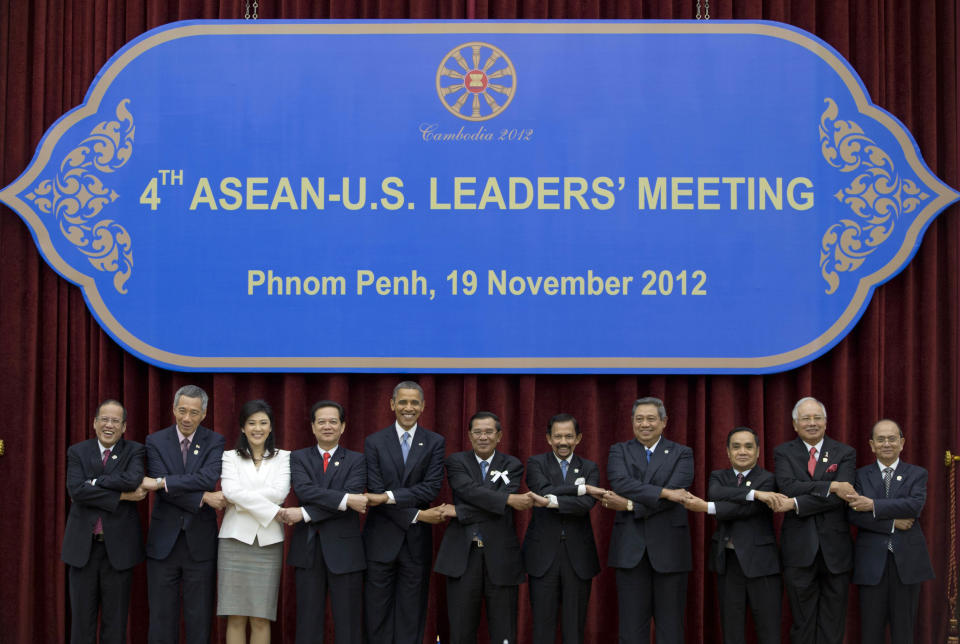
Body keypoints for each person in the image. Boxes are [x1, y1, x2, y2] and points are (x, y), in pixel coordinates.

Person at [683, 426, 790, 644]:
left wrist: (707, 508)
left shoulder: (769, 480)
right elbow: (716, 493)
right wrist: (755, 494)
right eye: (737, 446)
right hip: (728, 563)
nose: (743, 451)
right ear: (728, 452)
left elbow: (748, 510)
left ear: (758, 451)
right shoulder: (718, 477)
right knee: (731, 630)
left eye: (749, 446)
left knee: (768, 630)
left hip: (762, 565)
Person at [600, 396, 693, 644]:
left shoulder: (682, 453)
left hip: (670, 549)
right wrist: (663, 492)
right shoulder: (619, 450)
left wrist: (630, 504)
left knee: (671, 628)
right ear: (632, 422)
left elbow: (677, 494)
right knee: (631, 629)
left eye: (651, 418)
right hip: (630, 549)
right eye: (639, 419)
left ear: (664, 422)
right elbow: (620, 483)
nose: (645, 424)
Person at [434, 411, 531, 644]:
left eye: (489, 432)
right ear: (469, 435)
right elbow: (467, 491)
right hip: (462, 557)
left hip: (501, 558)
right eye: (477, 432)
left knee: (503, 632)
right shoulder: (456, 461)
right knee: (460, 632)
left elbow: (494, 505)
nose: (483, 437)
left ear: (499, 436)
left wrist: (460, 511)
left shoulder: (512, 465)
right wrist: (507, 500)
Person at [362, 381, 447, 644]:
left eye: (413, 403)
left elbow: (430, 489)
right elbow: (374, 490)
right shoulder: (374, 442)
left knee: (412, 615)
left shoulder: (434, 442)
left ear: (422, 406)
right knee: (376, 614)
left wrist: (388, 497)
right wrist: (418, 514)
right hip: (380, 541)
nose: (407, 408)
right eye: (402, 402)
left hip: (416, 542)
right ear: (392, 405)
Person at [142, 384, 226, 644]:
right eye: (182, 411)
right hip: (163, 544)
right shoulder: (155, 441)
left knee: (199, 619)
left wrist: (164, 482)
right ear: (173, 410)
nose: (187, 418)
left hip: (199, 544)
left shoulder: (215, 441)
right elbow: (162, 486)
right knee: (161, 619)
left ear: (204, 414)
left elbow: (208, 476)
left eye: (194, 412)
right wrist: (202, 496)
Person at [62, 399, 147, 644]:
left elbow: (132, 479)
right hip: (82, 550)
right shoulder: (77, 451)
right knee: (81, 624)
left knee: (115, 624)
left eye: (115, 421)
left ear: (124, 427)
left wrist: (96, 483)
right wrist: (120, 495)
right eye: (104, 419)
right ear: (95, 423)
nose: (109, 425)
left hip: (118, 552)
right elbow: (76, 491)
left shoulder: (134, 450)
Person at [773, 396, 856, 644]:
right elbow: (788, 487)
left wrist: (797, 502)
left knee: (833, 621)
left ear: (826, 422)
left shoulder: (845, 452)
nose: (812, 423)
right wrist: (832, 486)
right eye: (805, 418)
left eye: (817, 417)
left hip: (836, 551)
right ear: (795, 425)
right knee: (802, 620)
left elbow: (842, 497)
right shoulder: (783, 452)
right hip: (798, 550)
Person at [846, 419, 934, 644]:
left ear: (902, 443)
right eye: (881, 439)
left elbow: (914, 505)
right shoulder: (859, 476)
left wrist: (873, 505)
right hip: (871, 564)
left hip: (907, 563)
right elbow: (854, 514)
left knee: (904, 631)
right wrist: (892, 523)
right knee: (870, 631)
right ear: (871, 445)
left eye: (892, 438)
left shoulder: (917, 473)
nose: (887, 443)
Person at [217, 400, 298, 644]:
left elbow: (280, 493)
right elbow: (229, 490)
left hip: (268, 543)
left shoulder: (284, 457)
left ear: (271, 427)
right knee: (236, 615)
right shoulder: (229, 457)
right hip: (234, 540)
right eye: (251, 423)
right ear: (242, 427)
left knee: (261, 617)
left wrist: (241, 500)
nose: (257, 428)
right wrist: (271, 511)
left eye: (263, 423)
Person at [288, 400, 367, 644]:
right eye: (321, 421)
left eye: (333, 421)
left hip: (345, 551)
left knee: (348, 623)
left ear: (343, 427)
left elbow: (353, 491)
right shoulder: (298, 457)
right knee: (308, 623)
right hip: (308, 549)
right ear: (312, 427)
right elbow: (304, 491)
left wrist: (305, 514)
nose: (327, 426)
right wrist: (345, 499)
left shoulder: (357, 460)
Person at [521, 413, 600, 644]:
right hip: (542, 556)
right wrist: (581, 489)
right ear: (548, 438)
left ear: (579, 438)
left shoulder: (589, 466)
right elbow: (541, 488)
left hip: (579, 557)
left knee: (574, 630)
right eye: (557, 436)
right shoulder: (536, 463)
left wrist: (552, 501)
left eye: (568, 436)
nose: (563, 442)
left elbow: (586, 505)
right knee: (542, 628)